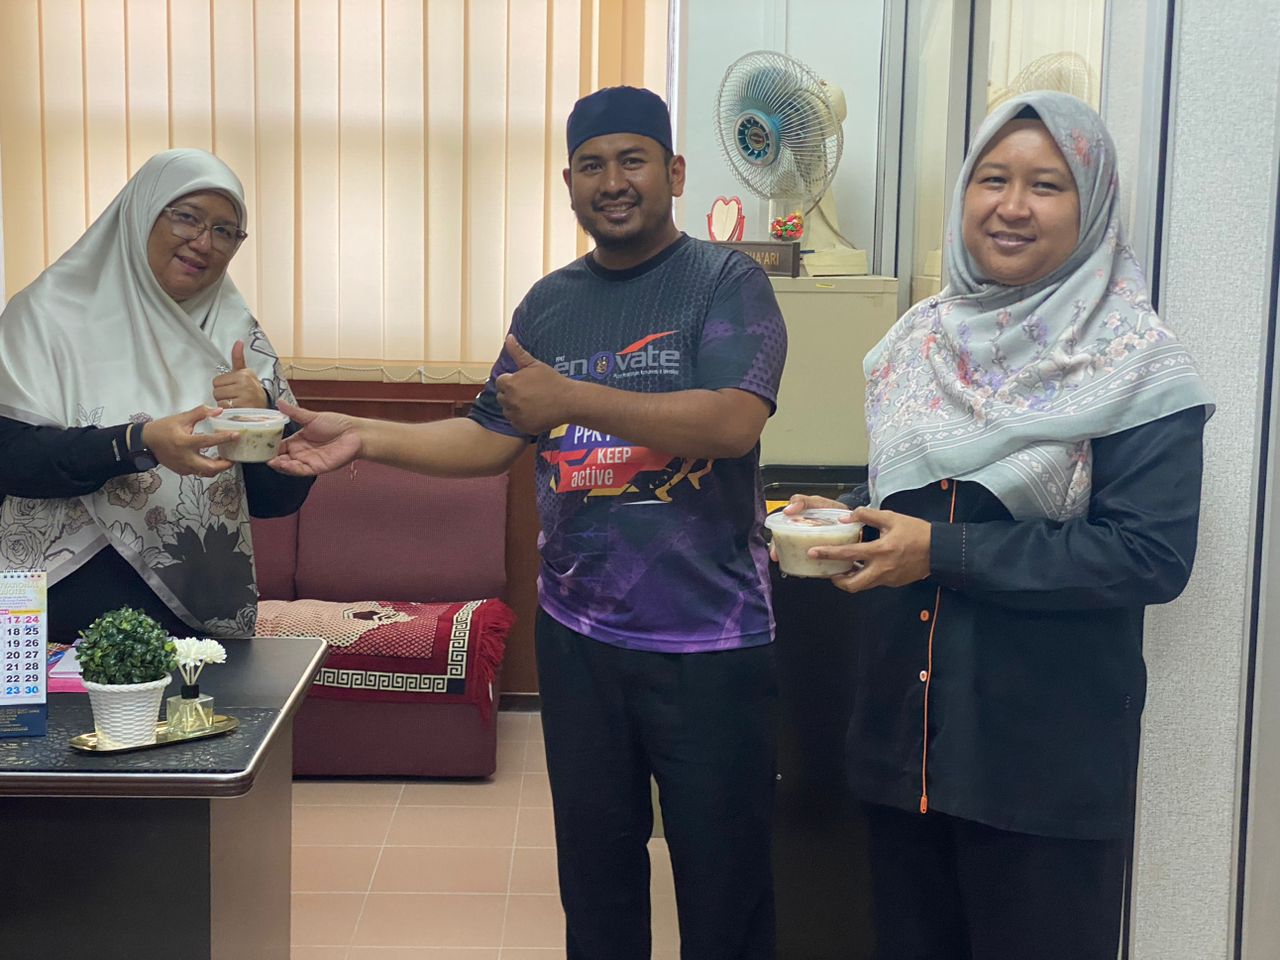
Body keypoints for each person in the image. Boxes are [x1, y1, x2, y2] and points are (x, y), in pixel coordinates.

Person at [269, 86, 787, 959]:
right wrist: (361, 435)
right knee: (595, 876)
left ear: (673, 172)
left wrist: (573, 398)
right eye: (592, 165)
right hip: (580, 640)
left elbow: (734, 420)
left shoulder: (725, 281)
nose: (612, 182)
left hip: (712, 641)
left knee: (724, 884)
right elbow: (488, 437)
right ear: (568, 182)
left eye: (632, 161)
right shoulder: (549, 304)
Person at [778, 91, 1213, 959]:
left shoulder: (1136, 362)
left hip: (1042, 770)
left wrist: (939, 552)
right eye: (992, 179)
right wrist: (847, 520)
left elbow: (1147, 556)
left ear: (1091, 207)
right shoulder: (917, 345)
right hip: (905, 748)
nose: (1012, 206)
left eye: (1046, 185)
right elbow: (916, 503)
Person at [0, 148, 313, 640]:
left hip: (192, 609)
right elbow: (12, 459)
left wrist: (263, 420)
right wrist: (137, 442)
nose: (204, 243)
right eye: (187, 218)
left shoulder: (234, 334)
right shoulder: (44, 316)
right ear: (142, 213)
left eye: (225, 231)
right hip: (62, 598)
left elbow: (278, 500)